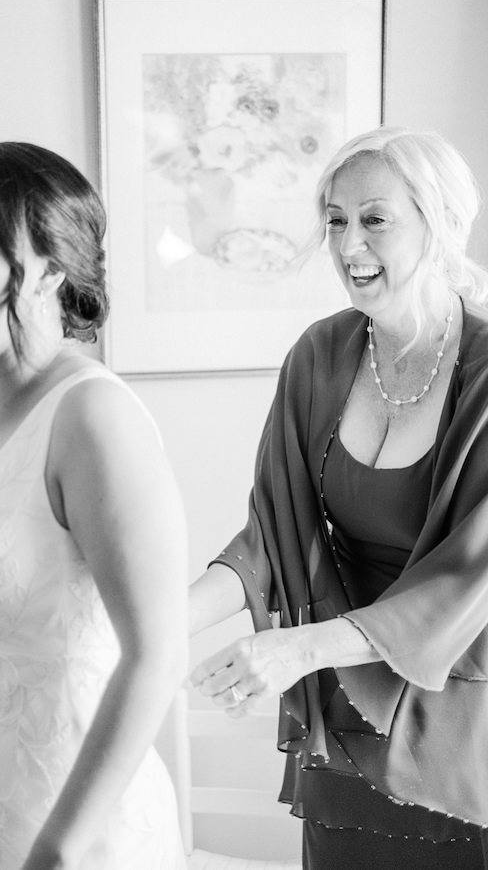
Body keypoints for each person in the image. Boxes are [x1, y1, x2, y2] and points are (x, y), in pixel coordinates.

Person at [189, 127, 488, 868]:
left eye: (375, 218)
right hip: (346, 719)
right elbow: (270, 535)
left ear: (443, 221)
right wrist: (159, 624)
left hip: (465, 727)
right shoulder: (320, 355)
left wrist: (299, 646)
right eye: (334, 218)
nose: (348, 243)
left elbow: (468, 578)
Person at [0, 141, 187, 870]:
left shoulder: (93, 418)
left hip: (73, 835)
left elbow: (157, 655)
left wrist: (62, 848)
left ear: (55, 266)